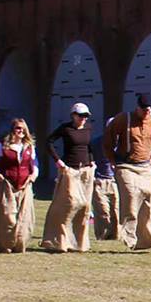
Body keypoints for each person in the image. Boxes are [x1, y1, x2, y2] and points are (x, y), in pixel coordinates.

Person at [102, 94, 151, 250]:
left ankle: (149, 238)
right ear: (137, 107)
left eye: (149, 110)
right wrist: (111, 160)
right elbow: (108, 138)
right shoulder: (124, 119)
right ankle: (129, 237)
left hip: (145, 166)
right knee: (131, 197)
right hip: (125, 165)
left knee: (150, 197)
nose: (146, 112)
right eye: (143, 109)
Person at [40, 102, 96, 253]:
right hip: (70, 170)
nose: (84, 119)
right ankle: (59, 240)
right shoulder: (66, 128)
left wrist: (91, 161)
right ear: (73, 115)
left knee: (84, 206)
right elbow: (49, 142)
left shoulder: (88, 129)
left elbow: (89, 147)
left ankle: (80, 243)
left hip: (85, 171)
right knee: (68, 204)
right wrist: (58, 161)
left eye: (86, 116)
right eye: (81, 116)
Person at [0, 118, 38, 253]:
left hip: (25, 184)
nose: (20, 131)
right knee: (8, 216)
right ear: (12, 130)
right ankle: (6, 245)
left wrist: (34, 176)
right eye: (17, 128)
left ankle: (19, 245)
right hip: (8, 184)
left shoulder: (29, 147)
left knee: (24, 216)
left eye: (22, 129)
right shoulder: (4, 146)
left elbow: (35, 163)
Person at [92, 117, 120, 240]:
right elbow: (88, 157)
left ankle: (115, 236)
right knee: (103, 211)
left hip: (115, 181)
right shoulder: (96, 142)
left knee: (116, 210)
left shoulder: (121, 144)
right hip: (99, 180)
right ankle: (102, 236)